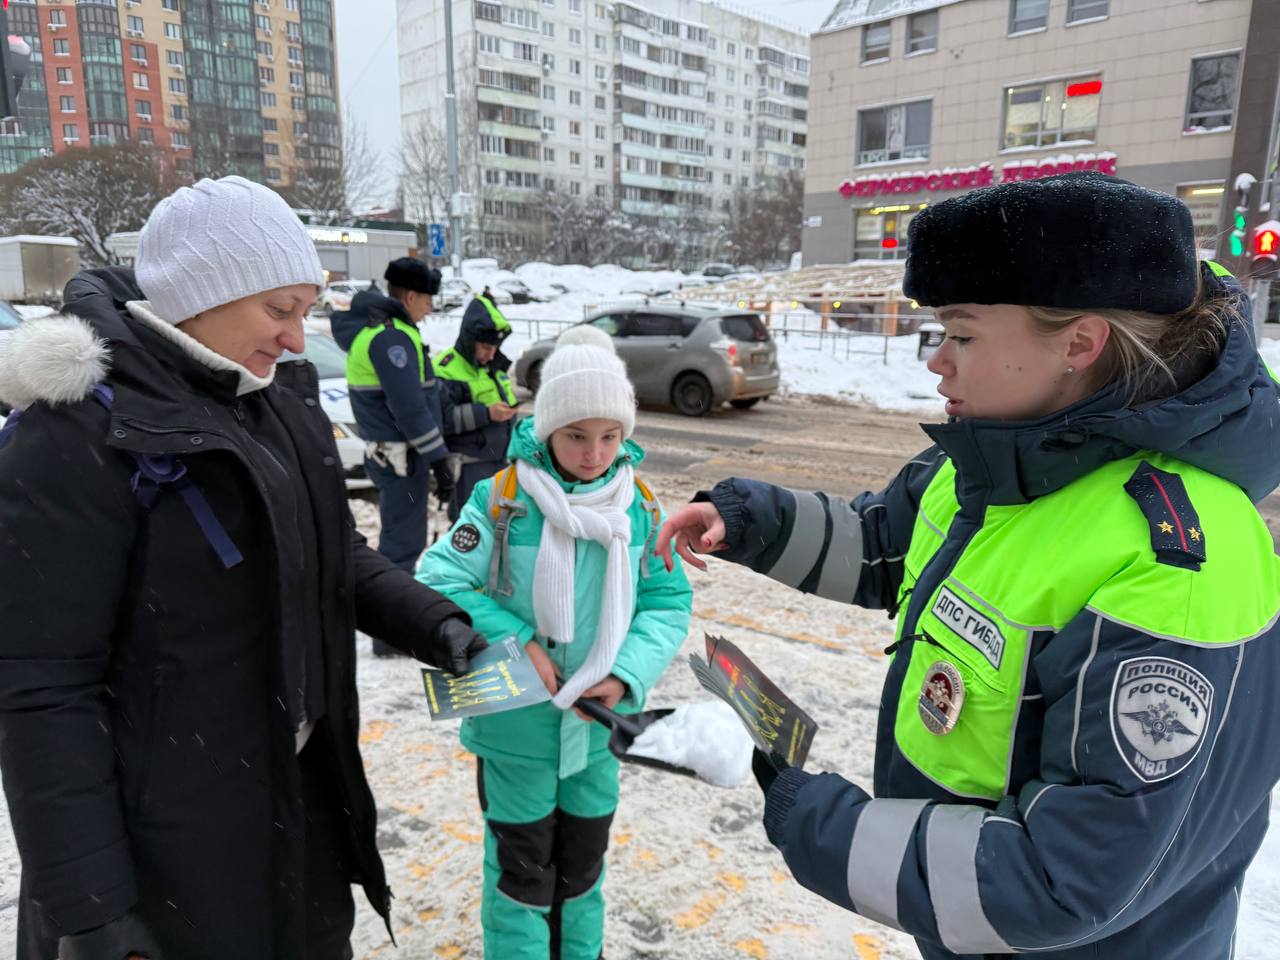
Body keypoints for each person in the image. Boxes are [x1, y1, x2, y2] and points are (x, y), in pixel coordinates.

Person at [655, 172, 1280, 960]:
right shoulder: (1004, 457)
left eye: (964, 335)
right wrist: (748, 523)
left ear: (1079, 344)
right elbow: (887, 542)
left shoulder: (1178, 560)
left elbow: (1062, 876)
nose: (937, 364)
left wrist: (820, 822)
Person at [0, 176, 486, 960]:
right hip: (164, 850)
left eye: (306, 310)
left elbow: (335, 552)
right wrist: (90, 910)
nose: (298, 340)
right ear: (201, 293)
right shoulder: (80, 436)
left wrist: (433, 621)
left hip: (297, 807)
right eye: (280, 310)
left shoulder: (273, 401)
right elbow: (43, 685)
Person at [417, 325, 692, 960]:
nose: (594, 453)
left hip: (597, 733)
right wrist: (518, 641)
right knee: (521, 879)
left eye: (609, 436)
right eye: (575, 436)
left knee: (581, 874)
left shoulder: (639, 508)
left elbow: (667, 600)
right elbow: (438, 579)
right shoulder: (501, 499)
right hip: (517, 731)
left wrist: (625, 673)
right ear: (546, 429)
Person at [332, 256, 452, 656]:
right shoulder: (392, 338)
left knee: (402, 537)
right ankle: (390, 635)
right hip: (401, 457)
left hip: (393, 455)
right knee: (403, 542)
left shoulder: (383, 332)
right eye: (429, 300)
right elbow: (408, 407)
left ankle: (392, 629)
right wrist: (437, 458)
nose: (431, 308)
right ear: (412, 296)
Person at [435, 288, 518, 522]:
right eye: (486, 348)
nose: (491, 355)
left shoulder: (492, 367)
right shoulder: (446, 367)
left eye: (495, 349)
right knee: (468, 530)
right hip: (468, 468)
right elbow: (444, 419)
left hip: (500, 464)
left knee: (496, 530)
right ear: (470, 340)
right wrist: (487, 413)